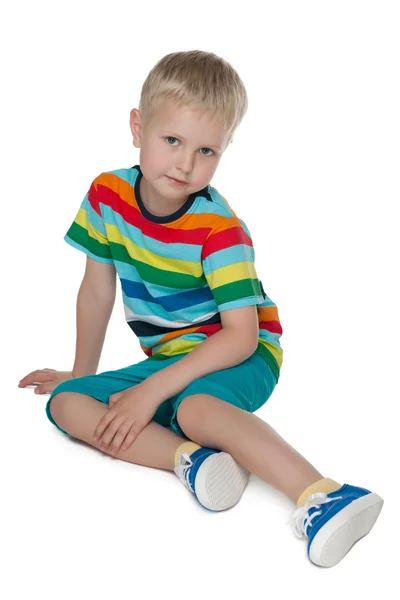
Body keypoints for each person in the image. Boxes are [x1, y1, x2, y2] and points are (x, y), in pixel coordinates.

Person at [19, 50, 383, 567]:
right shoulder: (107, 196)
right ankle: (192, 460)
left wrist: (152, 391)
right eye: (172, 141)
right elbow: (97, 292)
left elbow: (241, 336)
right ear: (137, 127)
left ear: (224, 150)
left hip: (242, 353)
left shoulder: (220, 229)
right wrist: (81, 373)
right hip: (169, 360)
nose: (186, 163)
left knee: (194, 408)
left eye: (206, 150)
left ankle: (325, 494)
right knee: (67, 404)